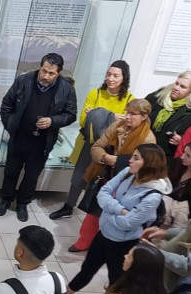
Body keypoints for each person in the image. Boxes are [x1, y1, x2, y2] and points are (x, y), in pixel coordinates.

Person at [69, 144, 171, 291]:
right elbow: (103, 192)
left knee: (115, 279)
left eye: (136, 158)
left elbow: (127, 223)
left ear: (149, 163)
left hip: (123, 243)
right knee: (87, 268)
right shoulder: (128, 173)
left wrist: (107, 210)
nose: (130, 160)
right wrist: (120, 209)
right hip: (104, 233)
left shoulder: (152, 196)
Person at [68, 98, 157, 252]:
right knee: (94, 213)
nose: (128, 117)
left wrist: (120, 162)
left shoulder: (148, 138)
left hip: (128, 183)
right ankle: (84, 241)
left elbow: (143, 165)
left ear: (144, 116)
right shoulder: (117, 126)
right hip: (106, 176)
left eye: (133, 114)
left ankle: (105, 247)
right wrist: (105, 158)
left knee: (115, 218)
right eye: (127, 112)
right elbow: (97, 146)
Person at [50, 60, 135, 220]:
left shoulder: (129, 100)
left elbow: (123, 128)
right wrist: (112, 116)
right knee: (79, 177)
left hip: (110, 148)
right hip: (88, 144)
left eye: (116, 76)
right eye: (108, 74)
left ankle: (93, 213)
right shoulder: (95, 94)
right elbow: (83, 120)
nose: (110, 78)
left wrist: (97, 114)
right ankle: (69, 206)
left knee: (101, 181)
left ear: (124, 78)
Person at [0, 53, 77, 222]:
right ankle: (5, 200)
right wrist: (11, 127)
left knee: (31, 176)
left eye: (51, 73)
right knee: (11, 171)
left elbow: (71, 115)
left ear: (59, 73)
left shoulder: (66, 89)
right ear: (40, 67)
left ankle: (22, 204)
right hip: (19, 137)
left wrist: (52, 121)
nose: (45, 76)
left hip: (42, 142)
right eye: (44, 71)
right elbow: (6, 105)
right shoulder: (24, 80)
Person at [144, 71, 191, 168]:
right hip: (144, 149)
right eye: (176, 83)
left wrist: (183, 141)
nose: (176, 88)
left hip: (167, 157)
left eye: (183, 87)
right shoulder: (159, 95)